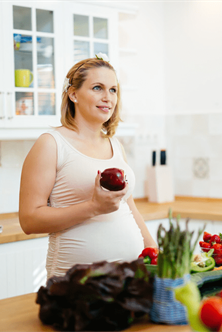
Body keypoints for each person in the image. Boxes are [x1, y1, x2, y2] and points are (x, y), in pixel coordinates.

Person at [19, 53, 156, 278]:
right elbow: (29, 220)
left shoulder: (115, 145)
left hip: (129, 278)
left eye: (113, 90)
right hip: (76, 285)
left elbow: (129, 207)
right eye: (97, 88)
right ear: (73, 94)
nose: (108, 97)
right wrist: (93, 207)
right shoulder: (51, 144)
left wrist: (153, 250)